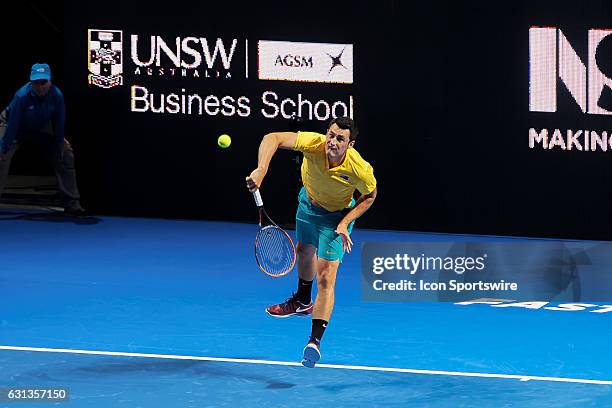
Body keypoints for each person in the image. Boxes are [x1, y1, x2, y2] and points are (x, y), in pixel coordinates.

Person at [246, 116, 377, 367]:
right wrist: (261, 169)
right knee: (304, 251)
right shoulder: (314, 143)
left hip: (336, 217)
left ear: (351, 144)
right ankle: (302, 301)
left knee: (326, 275)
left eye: (341, 138)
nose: (333, 141)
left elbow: (370, 196)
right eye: (331, 135)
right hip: (308, 205)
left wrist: (344, 222)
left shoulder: (358, 168)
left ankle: (314, 341)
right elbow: (272, 138)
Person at [0, 63, 86, 216]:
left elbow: (59, 125)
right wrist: (3, 149)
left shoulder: (57, 96)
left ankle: (72, 203)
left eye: (43, 82)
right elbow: (12, 125)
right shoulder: (22, 96)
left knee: (65, 154)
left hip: (41, 127)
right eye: (36, 82)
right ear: (31, 82)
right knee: (0, 156)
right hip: (14, 126)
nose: (40, 86)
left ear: (50, 82)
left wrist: (60, 146)